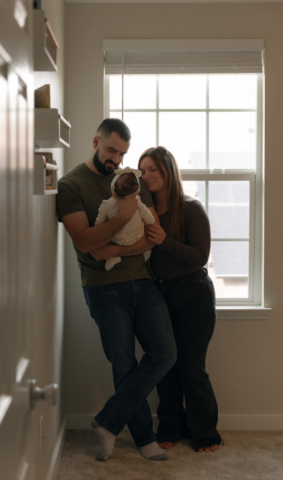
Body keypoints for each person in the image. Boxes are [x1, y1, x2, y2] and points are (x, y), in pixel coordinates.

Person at [56, 119, 177, 462]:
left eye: (122, 153)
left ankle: (107, 422)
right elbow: (84, 240)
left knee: (165, 354)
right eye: (111, 150)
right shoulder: (70, 185)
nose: (116, 160)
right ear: (96, 141)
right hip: (103, 288)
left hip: (143, 281)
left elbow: (150, 234)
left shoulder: (129, 181)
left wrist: (117, 249)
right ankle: (144, 439)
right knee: (123, 365)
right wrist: (121, 218)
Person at [138, 146, 222, 453]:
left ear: (168, 172)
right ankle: (170, 428)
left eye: (153, 170)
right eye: (142, 170)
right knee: (166, 366)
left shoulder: (190, 208)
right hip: (158, 296)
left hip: (194, 296)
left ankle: (205, 434)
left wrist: (164, 240)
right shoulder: (140, 212)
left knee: (192, 368)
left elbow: (200, 257)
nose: (146, 176)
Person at [95, 166, 155, 271]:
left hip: (118, 238)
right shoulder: (136, 201)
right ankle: (146, 252)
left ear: (113, 189)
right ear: (137, 191)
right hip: (137, 234)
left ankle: (113, 257)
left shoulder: (106, 205)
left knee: (106, 239)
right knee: (146, 234)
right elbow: (146, 213)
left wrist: (99, 227)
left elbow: (99, 223)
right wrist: (151, 221)